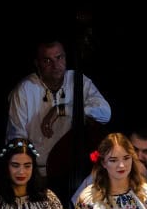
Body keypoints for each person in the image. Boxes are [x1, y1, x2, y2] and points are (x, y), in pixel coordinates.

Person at [6, 37, 112, 177]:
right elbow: (16, 137)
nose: (56, 65)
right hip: (40, 172)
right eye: (47, 61)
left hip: (76, 168)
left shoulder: (78, 80)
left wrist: (62, 109)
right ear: (37, 64)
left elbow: (105, 113)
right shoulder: (24, 90)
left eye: (59, 57)